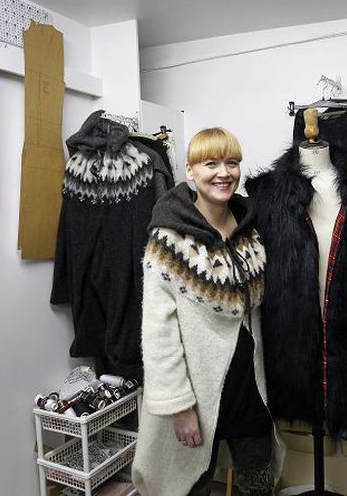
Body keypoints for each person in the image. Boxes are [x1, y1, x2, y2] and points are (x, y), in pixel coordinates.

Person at [132, 127, 284, 496]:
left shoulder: (251, 231)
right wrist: (178, 406)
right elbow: (158, 330)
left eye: (232, 163)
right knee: (191, 484)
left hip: (249, 387)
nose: (223, 173)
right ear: (190, 170)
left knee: (259, 482)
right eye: (210, 164)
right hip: (196, 394)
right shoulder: (168, 240)